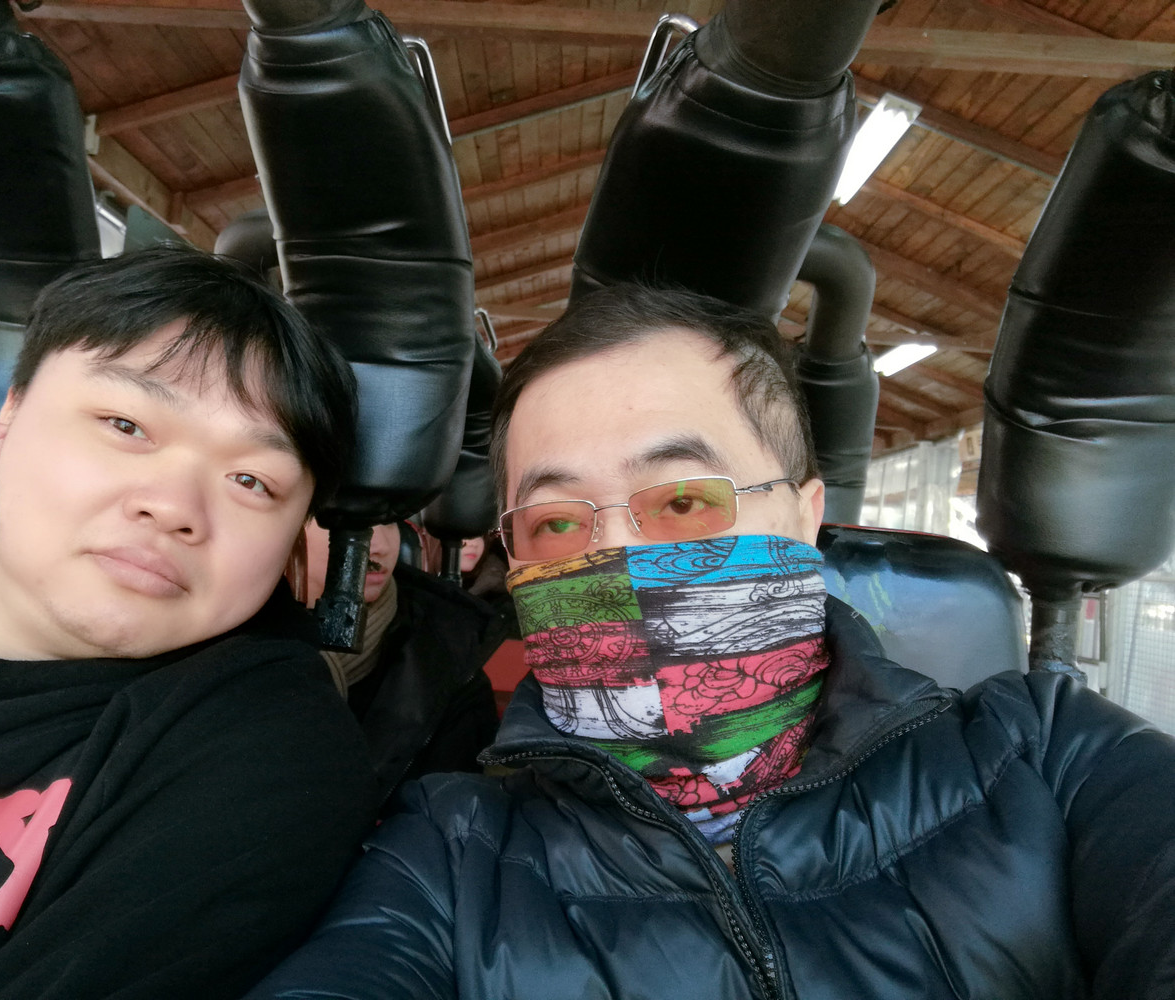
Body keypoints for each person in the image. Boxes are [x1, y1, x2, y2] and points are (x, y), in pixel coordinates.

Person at [249, 283, 1175, 999]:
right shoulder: (454, 853)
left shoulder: (1044, 758)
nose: (616, 557)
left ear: (805, 516)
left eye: (685, 501)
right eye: (556, 523)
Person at [0, 246, 378, 1000]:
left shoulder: (262, 768)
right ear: (9, 414)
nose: (174, 507)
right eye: (125, 424)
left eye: (251, 480)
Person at [303, 520, 499, 806]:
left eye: (389, 521)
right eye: (346, 517)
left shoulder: (450, 661)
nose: (379, 545)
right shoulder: (238, 639)